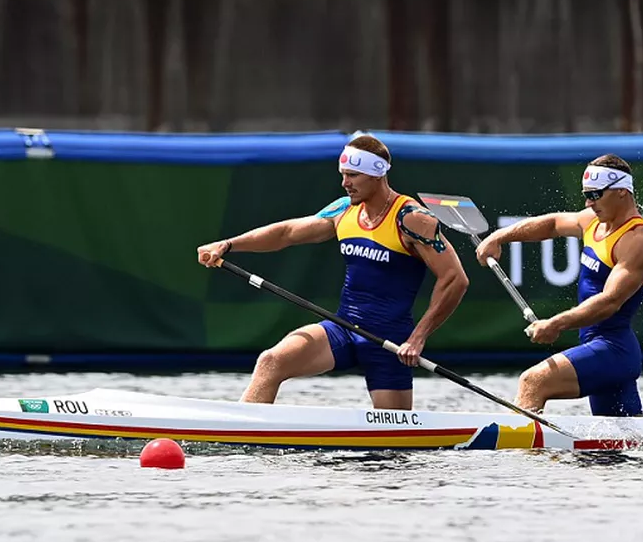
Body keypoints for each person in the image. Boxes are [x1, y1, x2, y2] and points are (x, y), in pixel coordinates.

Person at [196, 133, 469, 410]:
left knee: (392, 450)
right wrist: (228, 244)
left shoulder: (412, 218)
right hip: (343, 328)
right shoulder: (343, 211)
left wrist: (418, 338)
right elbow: (287, 233)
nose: (344, 183)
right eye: (343, 174)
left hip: (390, 343)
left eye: (352, 175)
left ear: (376, 174)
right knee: (271, 361)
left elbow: (455, 279)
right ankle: (245, 434)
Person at [474, 154, 643, 417]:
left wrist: (555, 323)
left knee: (533, 381)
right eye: (586, 194)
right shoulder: (592, 221)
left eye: (595, 194)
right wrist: (499, 237)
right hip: (599, 348)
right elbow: (551, 224)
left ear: (621, 191)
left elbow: (610, 302)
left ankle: (517, 457)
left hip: (613, 349)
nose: (589, 202)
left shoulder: (637, 240)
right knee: (618, 448)